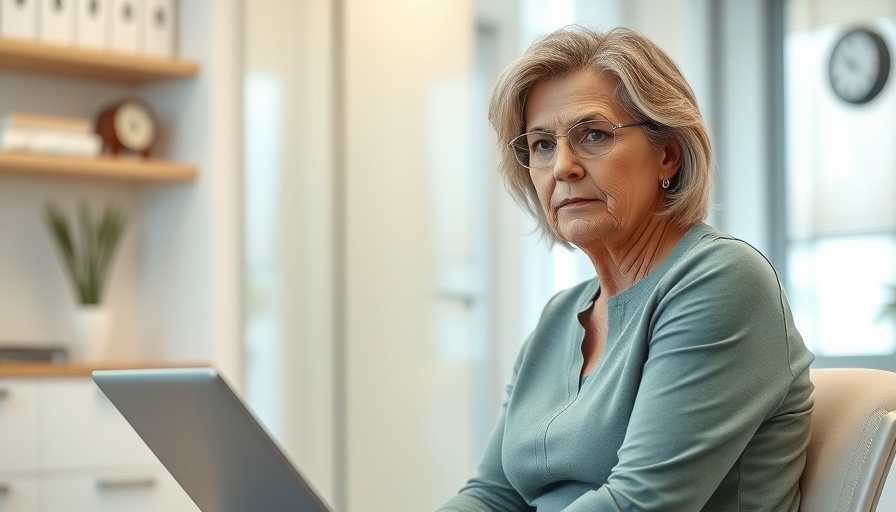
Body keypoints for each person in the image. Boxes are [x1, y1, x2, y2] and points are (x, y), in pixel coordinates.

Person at [437, 25, 814, 512]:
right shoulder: (559, 318)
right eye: (543, 145)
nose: (563, 167)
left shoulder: (721, 280)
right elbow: (492, 497)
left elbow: (640, 504)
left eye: (593, 135)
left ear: (668, 155)